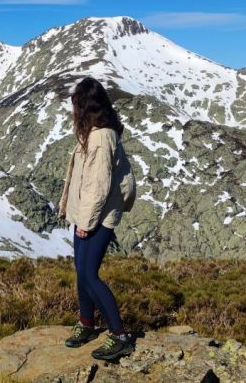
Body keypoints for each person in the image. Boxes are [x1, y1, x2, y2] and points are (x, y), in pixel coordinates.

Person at [57, 76, 136, 361]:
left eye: (76, 104)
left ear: (84, 106)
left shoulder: (102, 137)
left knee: (89, 275)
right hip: (86, 213)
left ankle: (120, 335)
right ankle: (87, 323)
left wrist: (86, 223)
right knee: (82, 273)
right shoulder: (94, 131)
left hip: (97, 216)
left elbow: (98, 185)